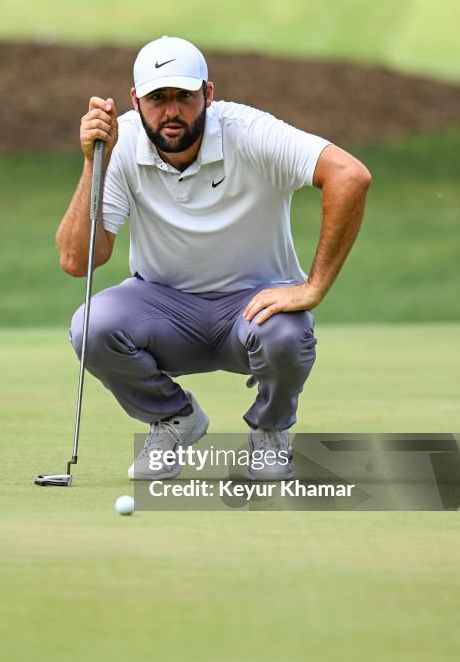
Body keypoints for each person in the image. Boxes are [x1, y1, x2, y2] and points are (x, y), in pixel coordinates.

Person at [56, 36, 371, 481]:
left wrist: (312, 286)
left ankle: (269, 432)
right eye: (157, 98)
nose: (171, 111)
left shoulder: (251, 133)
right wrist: (94, 163)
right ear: (135, 100)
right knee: (91, 326)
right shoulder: (121, 143)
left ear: (207, 94)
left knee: (288, 334)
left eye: (183, 96)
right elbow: (78, 260)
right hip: (162, 309)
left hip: (253, 308)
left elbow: (350, 175)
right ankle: (174, 419)